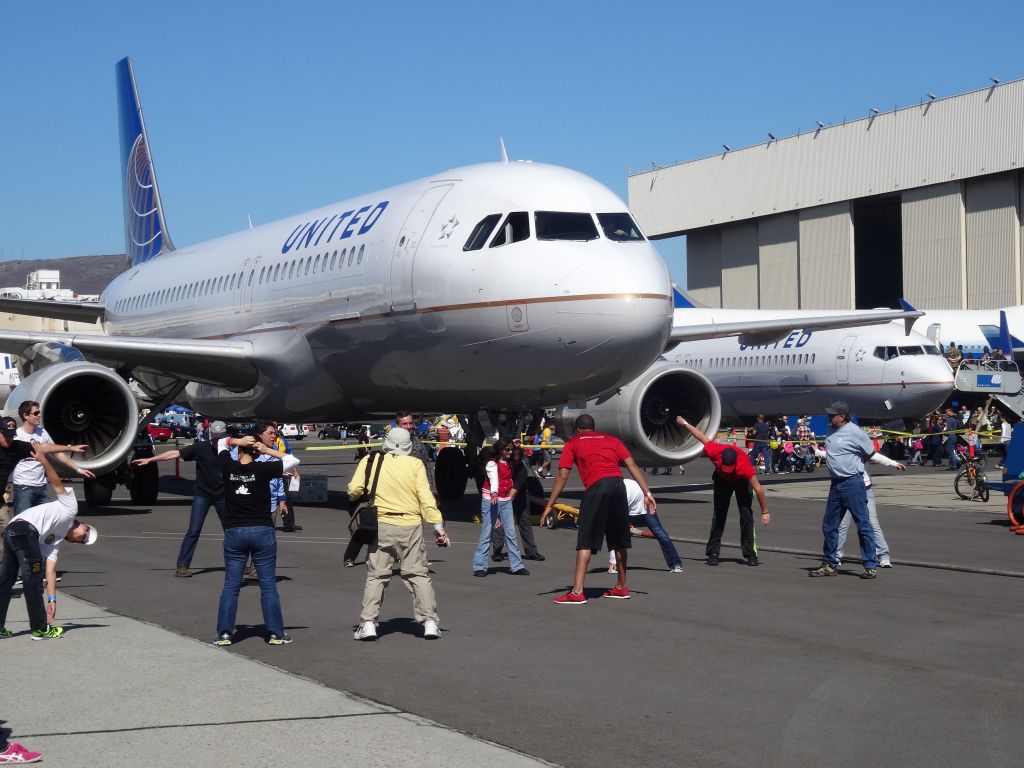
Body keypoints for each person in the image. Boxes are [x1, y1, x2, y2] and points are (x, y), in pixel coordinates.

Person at [540, 414, 654, 604]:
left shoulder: (573, 443)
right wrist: (647, 494)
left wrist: (550, 504)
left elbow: (562, 475)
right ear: (594, 428)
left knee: (585, 541)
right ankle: (621, 587)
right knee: (619, 540)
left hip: (597, 488)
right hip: (618, 486)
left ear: (577, 429)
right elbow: (631, 464)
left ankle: (577, 592)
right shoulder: (611, 439)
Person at [350, 428, 450, 641]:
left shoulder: (371, 460)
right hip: (411, 524)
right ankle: (430, 621)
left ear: (387, 442)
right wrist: (438, 527)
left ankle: (368, 622)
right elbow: (426, 498)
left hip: (382, 523)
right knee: (418, 574)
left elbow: (354, 489)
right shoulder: (415, 465)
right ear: (408, 445)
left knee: (377, 574)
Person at [0, 444, 99, 641]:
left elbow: (51, 571)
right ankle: (40, 629)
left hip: (13, 532)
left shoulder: (55, 541)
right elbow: (56, 483)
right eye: (86, 533)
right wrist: (44, 461)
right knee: (32, 582)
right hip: (23, 530)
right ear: (82, 524)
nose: (83, 537)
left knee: (5, 581)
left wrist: (52, 599)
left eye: (83, 541)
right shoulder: (70, 510)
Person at [213, 430, 299, 646]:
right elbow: (292, 460)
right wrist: (267, 449)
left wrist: (236, 441)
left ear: (239, 449)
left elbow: (221, 443)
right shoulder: (264, 468)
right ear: (256, 452)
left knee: (231, 585)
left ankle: (224, 633)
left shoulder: (228, 466)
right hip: (262, 529)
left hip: (234, 530)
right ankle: (275, 634)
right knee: (268, 585)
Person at [132, 420, 229, 577]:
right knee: (194, 530)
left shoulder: (231, 449)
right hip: (202, 494)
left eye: (220, 437)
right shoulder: (201, 448)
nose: (216, 441)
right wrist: (150, 460)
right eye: (215, 437)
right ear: (211, 434)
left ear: (225, 436)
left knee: (231, 531)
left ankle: (238, 563)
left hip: (223, 495)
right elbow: (175, 453)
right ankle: (182, 566)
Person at [675, 416, 769, 566]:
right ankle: (713, 552)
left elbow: (759, 489)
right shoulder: (715, 450)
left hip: (741, 482)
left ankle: (750, 554)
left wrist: (765, 512)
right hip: (722, 481)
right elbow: (700, 436)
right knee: (719, 514)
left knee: (746, 516)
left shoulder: (743, 464)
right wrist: (685, 423)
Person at [809, 401, 879, 579]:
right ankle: (830, 563)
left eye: (832, 415)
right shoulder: (831, 429)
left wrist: (853, 464)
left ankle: (870, 565)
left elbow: (870, 452)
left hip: (853, 483)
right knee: (829, 525)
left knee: (863, 524)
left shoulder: (856, 432)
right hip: (836, 484)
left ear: (842, 416)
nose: (829, 417)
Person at [11, 400, 94, 515]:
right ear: (25, 415)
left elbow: (57, 453)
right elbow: (42, 448)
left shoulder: (42, 433)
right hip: (23, 487)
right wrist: (70, 448)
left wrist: (78, 469)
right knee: (21, 522)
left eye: (39, 413)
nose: (39, 415)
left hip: (41, 486)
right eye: (35, 413)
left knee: (43, 522)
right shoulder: (16, 435)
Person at [834, 451, 904, 568]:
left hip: (865, 490)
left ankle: (883, 556)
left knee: (873, 523)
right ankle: (836, 556)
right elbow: (830, 454)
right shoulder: (843, 447)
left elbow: (875, 456)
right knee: (842, 525)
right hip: (847, 491)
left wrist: (893, 463)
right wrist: (817, 451)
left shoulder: (861, 446)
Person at [472, 441, 529, 577]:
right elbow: (494, 480)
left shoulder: (509, 463)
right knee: (487, 533)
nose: (510, 452)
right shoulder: (492, 464)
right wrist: (494, 493)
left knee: (510, 533)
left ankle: (517, 566)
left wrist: (516, 444)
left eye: (511, 450)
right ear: (500, 450)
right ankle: (479, 566)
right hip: (491, 499)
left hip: (505, 500)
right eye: (507, 450)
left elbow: (520, 462)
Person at [606, 478, 683, 573]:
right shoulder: (609, 493)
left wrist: (647, 494)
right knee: (621, 535)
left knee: (659, 533)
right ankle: (616, 564)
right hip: (630, 508)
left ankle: (675, 564)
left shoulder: (615, 493)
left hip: (644, 505)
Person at [492, 445, 544, 562]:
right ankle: (497, 551)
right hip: (502, 493)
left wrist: (505, 504)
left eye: (517, 457)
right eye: (512, 456)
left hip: (518, 494)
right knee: (500, 523)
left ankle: (531, 551)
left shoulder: (522, 468)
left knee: (524, 520)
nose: (514, 459)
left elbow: (515, 489)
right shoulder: (503, 464)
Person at [272, 423, 301, 532]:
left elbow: (289, 455)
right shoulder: (265, 441)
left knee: (286, 498)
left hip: (282, 473)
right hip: (270, 473)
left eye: (276, 426)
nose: (275, 429)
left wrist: (294, 470)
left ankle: (289, 524)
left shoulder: (282, 440)